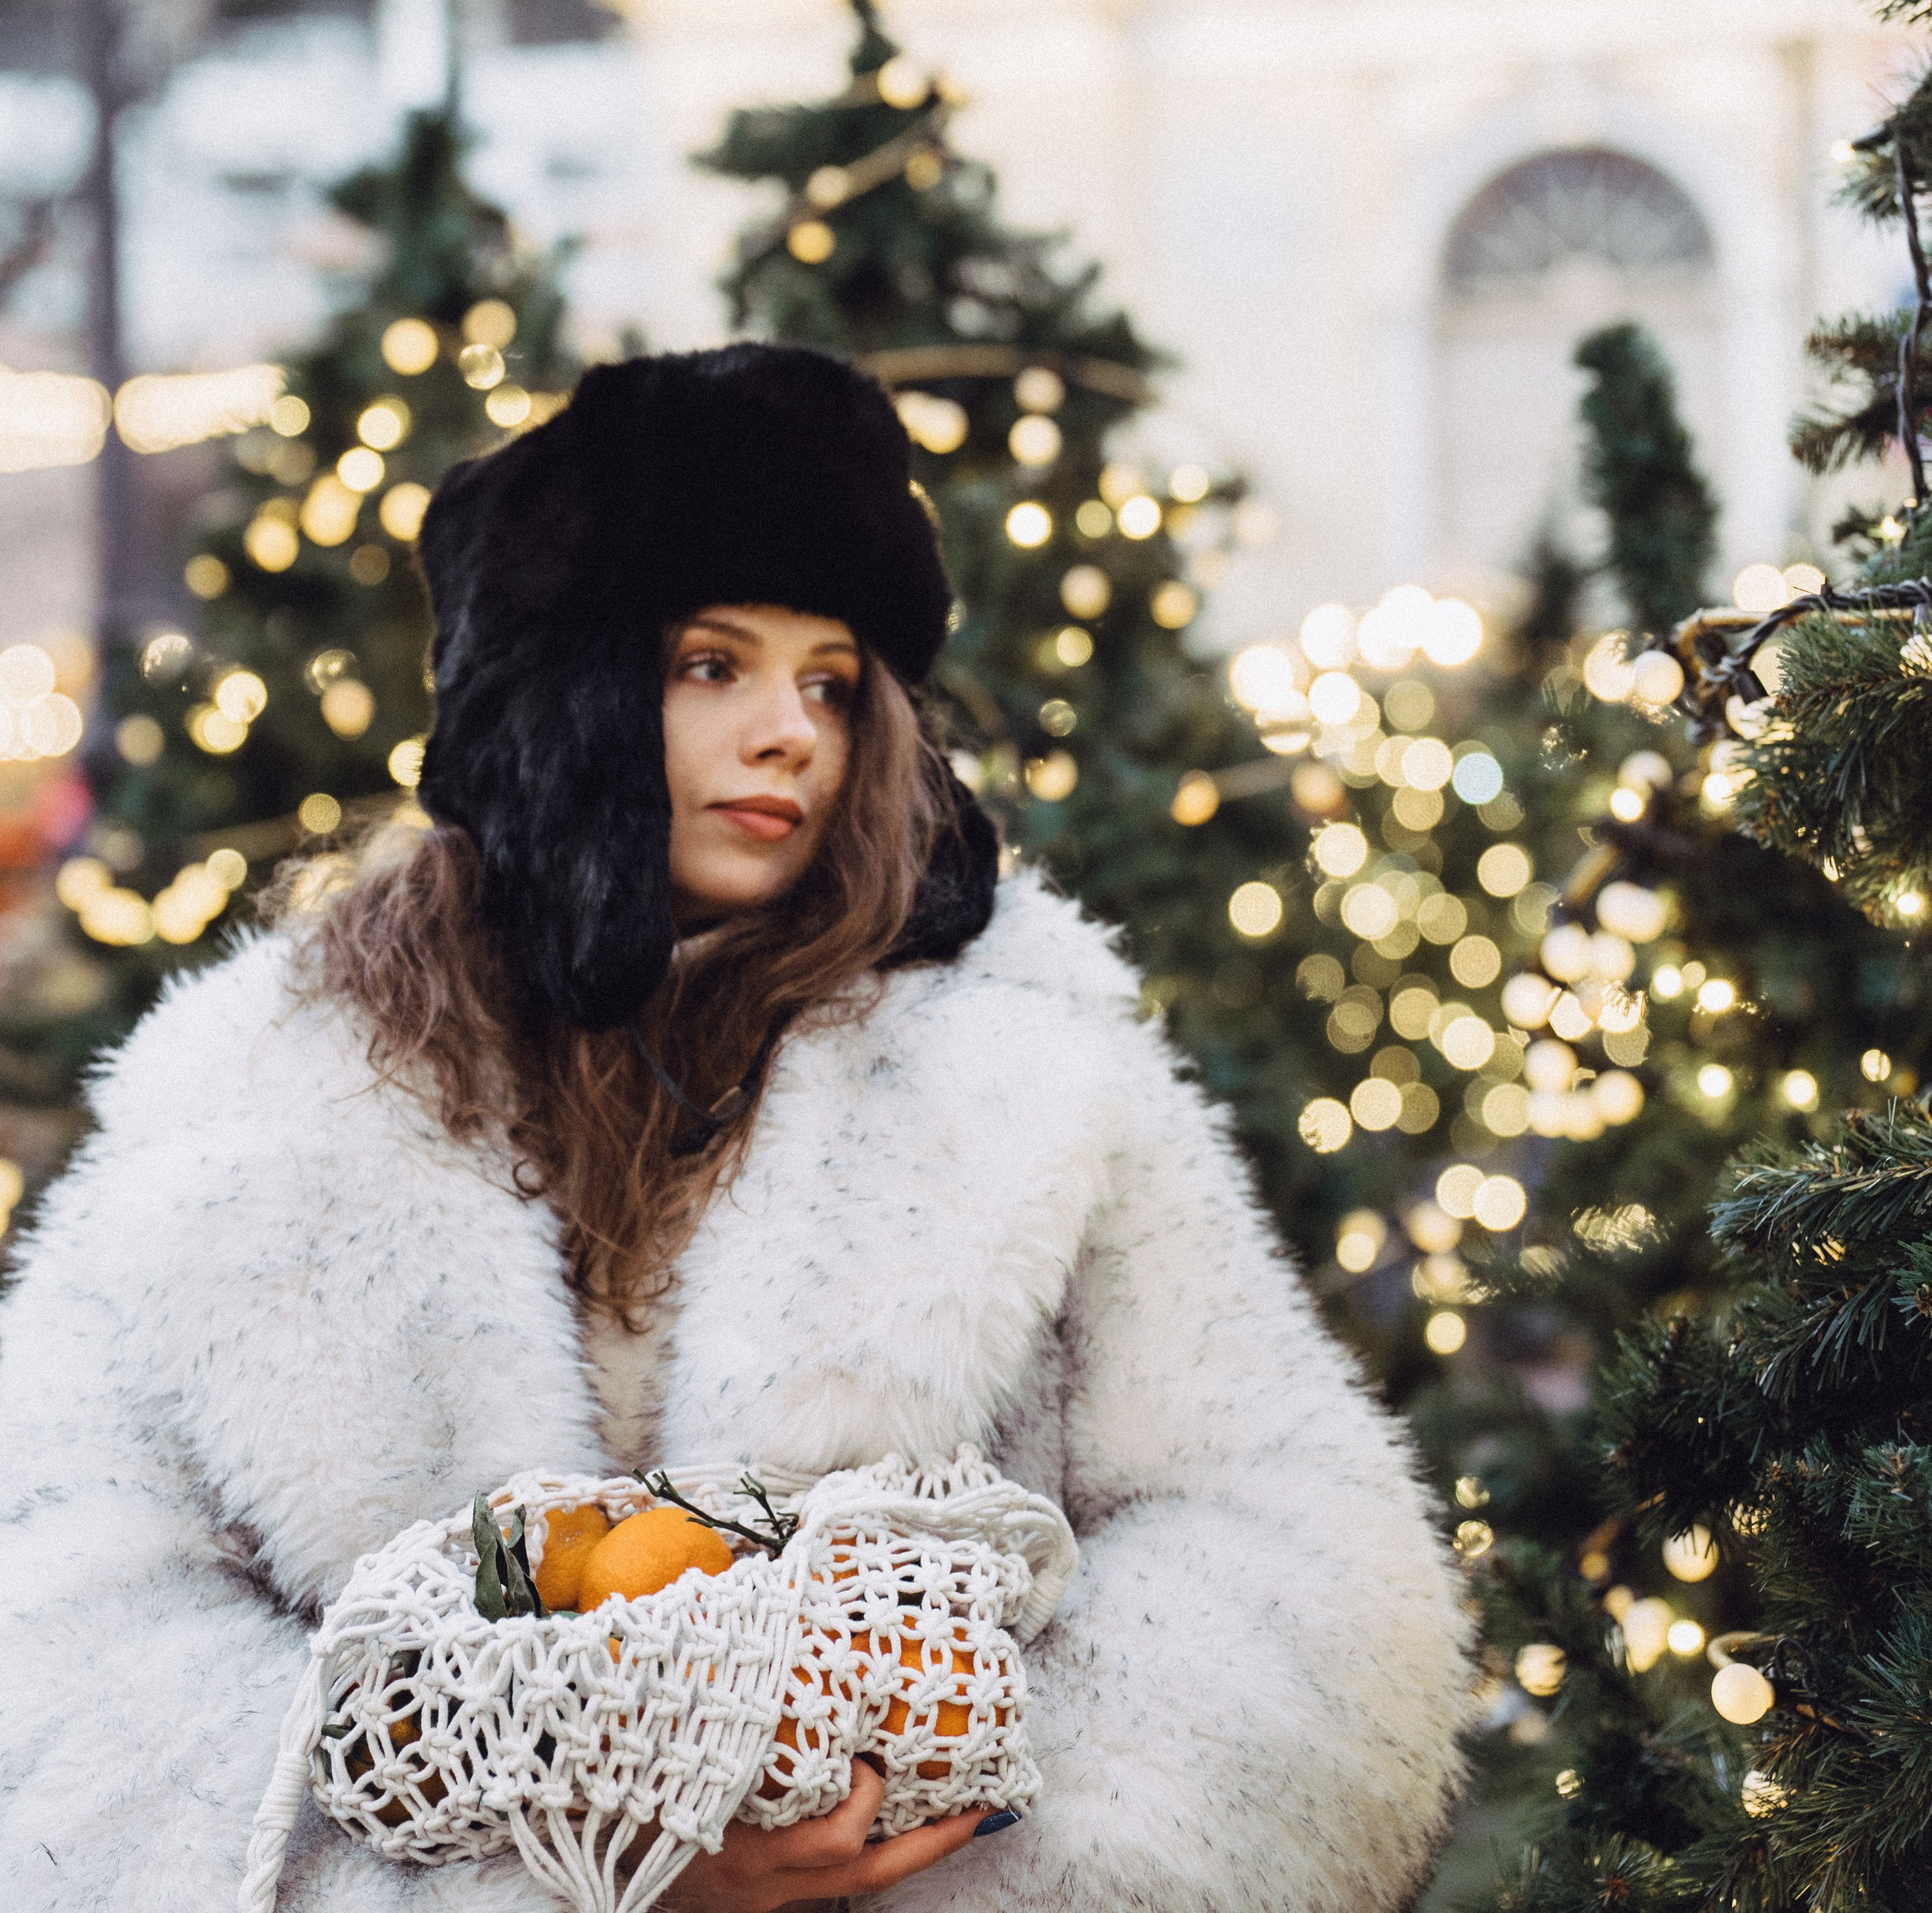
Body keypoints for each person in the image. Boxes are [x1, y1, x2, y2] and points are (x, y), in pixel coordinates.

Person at [0, 343, 1470, 1912]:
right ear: (557, 689)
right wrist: (548, 1885)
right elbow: (66, 1633)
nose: (789, 734)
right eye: (711, 663)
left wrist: (930, 1862)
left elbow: (1290, 1562)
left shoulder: (1030, 1085)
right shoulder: (254, 1115)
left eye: (829, 682)